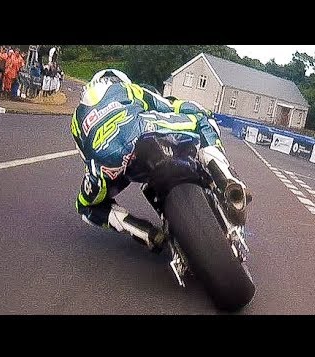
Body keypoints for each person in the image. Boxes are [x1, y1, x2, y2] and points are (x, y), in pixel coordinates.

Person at [71, 69, 251, 252]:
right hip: (140, 129)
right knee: (202, 118)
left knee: (86, 207)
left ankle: (142, 231)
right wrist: (189, 108)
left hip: (105, 163)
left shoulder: (77, 118)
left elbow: (85, 156)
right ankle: (228, 182)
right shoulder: (127, 88)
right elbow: (166, 105)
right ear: (120, 80)